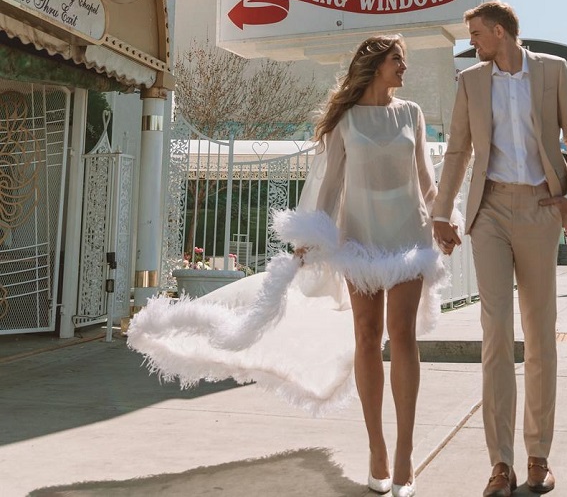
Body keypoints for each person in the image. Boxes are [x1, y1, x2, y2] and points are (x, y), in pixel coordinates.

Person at [128, 35, 443, 497]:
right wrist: (310, 238)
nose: (404, 68)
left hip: (409, 240)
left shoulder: (412, 113)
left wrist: (447, 219)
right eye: (399, 60)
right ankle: (377, 446)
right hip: (359, 243)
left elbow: (427, 184)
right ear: (376, 65)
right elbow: (331, 188)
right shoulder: (346, 122)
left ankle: (404, 454)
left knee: (403, 336)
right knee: (367, 337)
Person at [432, 1, 567, 497]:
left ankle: (538, 454)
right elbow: (459, 150)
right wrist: (443, 212)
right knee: (496, 332)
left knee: (541, 334)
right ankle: (500, 463)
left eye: (477, 34)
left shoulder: (551, 71)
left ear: (500, 32)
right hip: (491, 212)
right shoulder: (470, 82)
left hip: (542, 208)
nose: (472, 43)